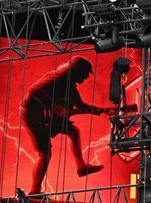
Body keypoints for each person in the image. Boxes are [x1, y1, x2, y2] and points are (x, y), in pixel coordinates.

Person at [23, 56, 105, 195]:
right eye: (84, 74)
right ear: (76, 70)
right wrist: (54, 106)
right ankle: (34, 190)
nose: (85, 78)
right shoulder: (57, 78)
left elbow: (80, 105)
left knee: (73, 131)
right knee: (45, 154)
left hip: (49, 118)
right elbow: (33, 90)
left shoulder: (71, 86)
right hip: (34, 116)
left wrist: (99, 111)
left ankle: (81, 167)